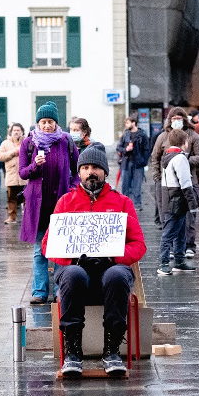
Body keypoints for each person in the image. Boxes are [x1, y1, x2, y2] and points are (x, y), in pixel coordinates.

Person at [42, 146, 146, 377]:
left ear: (105, 172)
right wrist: (72, 256)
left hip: (111, 268)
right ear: (79, 172)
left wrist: (114, 255)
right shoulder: (66, 202)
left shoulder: (122, 203)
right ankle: (73, 352)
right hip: (76, 269)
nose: (91, 172)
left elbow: (138, 244)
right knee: (72, 275)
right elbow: (48, 245)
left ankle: (112, 351)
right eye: (86, 167)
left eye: (96, 168)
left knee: (117, 275)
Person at [20, 101, 79, 305]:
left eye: (50, 122)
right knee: (39, 251)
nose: (47, 126)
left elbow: (77, 169)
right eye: (43, 122)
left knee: (60, 250)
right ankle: (39, 291)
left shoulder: (66, 141)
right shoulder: (29, 143)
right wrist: (34, 166)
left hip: (60, 203)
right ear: (38, 123)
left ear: (56, 123)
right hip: (38, 206)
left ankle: (60, 291)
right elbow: (22, 172)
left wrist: (72, 188)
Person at [149, 107, 199, 257]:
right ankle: (169, 247)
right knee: (167, 215)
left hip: (188, 180)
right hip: (166, 184)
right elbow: (155, 157)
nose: (176, 121)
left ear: (184, 119)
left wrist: (184, 158)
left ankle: (189, 245)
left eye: (179, 118)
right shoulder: (163, 137)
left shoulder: (193, 136)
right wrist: (157, 177)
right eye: (173, 119)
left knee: (188, 216)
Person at [157, 129, 199, 275]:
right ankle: (164, 263)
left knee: (180, 233)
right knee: (169, 233)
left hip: (169, 198)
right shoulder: (180, 158)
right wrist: (193, 203)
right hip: (177, 200)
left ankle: (179, 261)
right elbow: (186, 183)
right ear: (185, 142)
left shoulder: (168, 156)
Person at [0, 123, 28, 224]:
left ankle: (28, 218)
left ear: (22, 132)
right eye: (14, 130)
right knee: (11, 198)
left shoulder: (27, 142)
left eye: (18, 130)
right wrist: (13, 152)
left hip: (24, 176)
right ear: (11, 132)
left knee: (27, 198)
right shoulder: (5, 143)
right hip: (11, 175)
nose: (16, 132)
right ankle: (12, 217)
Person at [116, 115, 149, 210]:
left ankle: (137, 205)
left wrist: (144, 161)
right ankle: (124, 205)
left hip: (138, 164)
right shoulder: (125, 134)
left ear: (133, 123)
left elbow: (147, 150)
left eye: (127, 122)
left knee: (137, 185)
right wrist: (126, 149)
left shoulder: (142, 134)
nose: (126, 125)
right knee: (125, 185)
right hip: (126, 163)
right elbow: (118, 147)